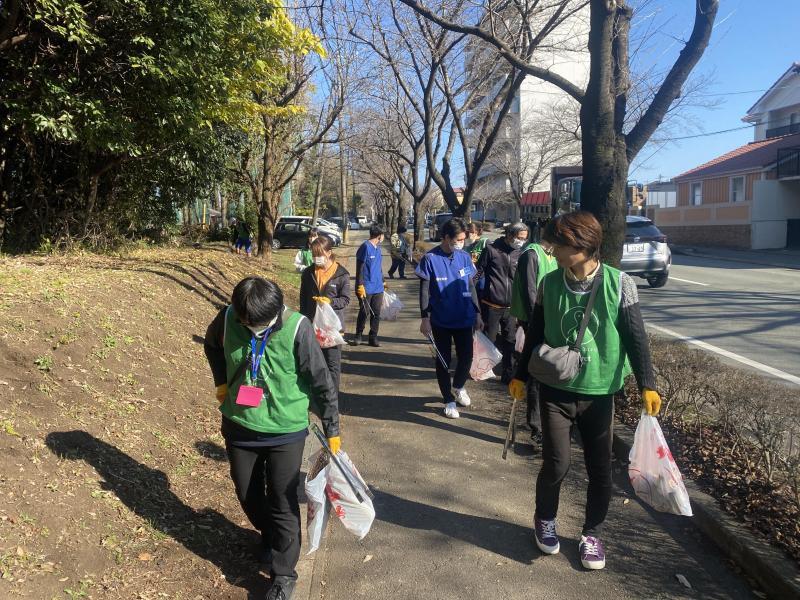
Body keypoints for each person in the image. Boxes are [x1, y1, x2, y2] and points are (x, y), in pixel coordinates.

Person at [508, 211, 661, 571]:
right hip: (556, 390)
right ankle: (544, 519)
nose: (553, 250)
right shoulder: (550, 283)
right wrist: (520, 375)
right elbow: (536, 332)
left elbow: (635, 338)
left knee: (599, 469)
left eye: (559, 244)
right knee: (556, 464)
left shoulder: (619, 283)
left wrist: (647, 383)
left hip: (599, 392)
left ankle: (592, 533)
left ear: (583, 245)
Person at [203, 277, 340, 600]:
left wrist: (332, 428)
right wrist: (222, 383)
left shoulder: (297, 327)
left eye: (261, 324)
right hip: (240, 423)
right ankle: (270, 533)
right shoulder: (226, 318)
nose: (254, 328)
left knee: (281, 497)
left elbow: (320, 379)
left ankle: (283, 575)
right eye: (248, 323)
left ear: (277, 311)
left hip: (285, 429)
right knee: (247, 492)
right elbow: (211, 346)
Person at [416, 218, 483, 419]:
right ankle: (448, 399)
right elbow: (424, 291)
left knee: (467, 358)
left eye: (464, 239)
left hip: (464, 317)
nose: (461, 242)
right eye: (458, 239)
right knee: (443, 361)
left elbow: (470, 286)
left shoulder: (464, 257)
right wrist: (424, 318)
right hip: (441, 320)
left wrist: (477, 312)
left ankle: (459, 386)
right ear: (446, 237)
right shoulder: (430, 259)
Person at [509, 236, 558, 448]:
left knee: (547, 374)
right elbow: (530, 291)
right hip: (534, 322)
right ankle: (536, 427)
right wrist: (535, 324)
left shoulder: (552, 256)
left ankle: (546, 424)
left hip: (551, 322)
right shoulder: (532, 254)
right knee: (536, 375)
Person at [475, 222, 529, 383]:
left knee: (510, 341)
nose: (521, 241)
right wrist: (470, 291)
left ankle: (508, 373)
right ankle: (483, 370)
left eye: (524, 239)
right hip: (491, 303)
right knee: (488, 340)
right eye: (519, 238)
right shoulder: (491, 250)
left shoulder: (521, 253)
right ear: (510, 235)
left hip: (512, 306)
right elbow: (478, 272)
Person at [299, 236, 351, 398]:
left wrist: (330, 301)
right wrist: (302, 322)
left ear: (329, 253)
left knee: (332, 364)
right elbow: (303, 299)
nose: (316, 258)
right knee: (313, 363)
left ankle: (332, 397)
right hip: (312, 326)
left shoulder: (341, 274)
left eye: (319, 254)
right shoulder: (308, 273)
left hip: (333, 328)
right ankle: (316, 395)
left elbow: (345, 299)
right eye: (313, 255)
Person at [353, 224, 386, 347]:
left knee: (376, 313)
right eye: (382, 235)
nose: (383, 237)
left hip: (378, 287)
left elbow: (379, 267)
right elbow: (359, 268)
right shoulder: (365, 247)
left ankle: (373, 337)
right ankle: (358, 335)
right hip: (366, 286)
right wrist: (359, 285)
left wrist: (383, 281)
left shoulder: (378, 249)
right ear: (379, 235)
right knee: (364, 312)